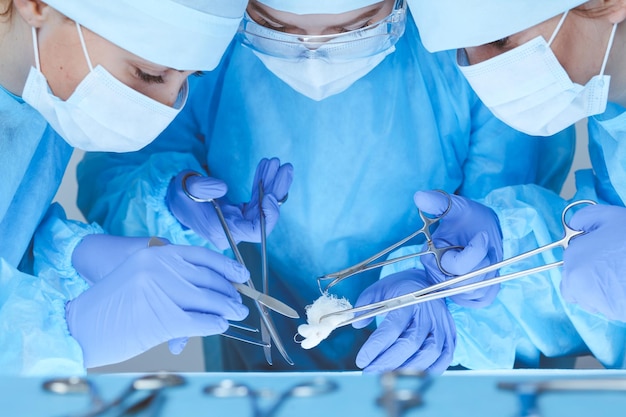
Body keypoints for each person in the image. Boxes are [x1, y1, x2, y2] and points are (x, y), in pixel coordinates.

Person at [76, 0, 576, 373]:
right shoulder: (204, 42)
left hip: (449, 359)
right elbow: (118, 180)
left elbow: (507, 242)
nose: (313, 57)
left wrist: (446, 289)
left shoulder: (472, 40)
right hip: (262, 354)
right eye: (276, 28)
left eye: (356, 27)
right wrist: (172, 203)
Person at [0, 0, 266, 375]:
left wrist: (70, 253)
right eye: (150, 73)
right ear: (37, 5)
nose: (168, 106)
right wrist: (61, 332)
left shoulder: (43, 94)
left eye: (190, 78)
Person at [385, 0, 626, 370]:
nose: (483, 69)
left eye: (498, 39)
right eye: (463, 50)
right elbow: (590, 280)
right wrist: (498, 253)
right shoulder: (614, 116)